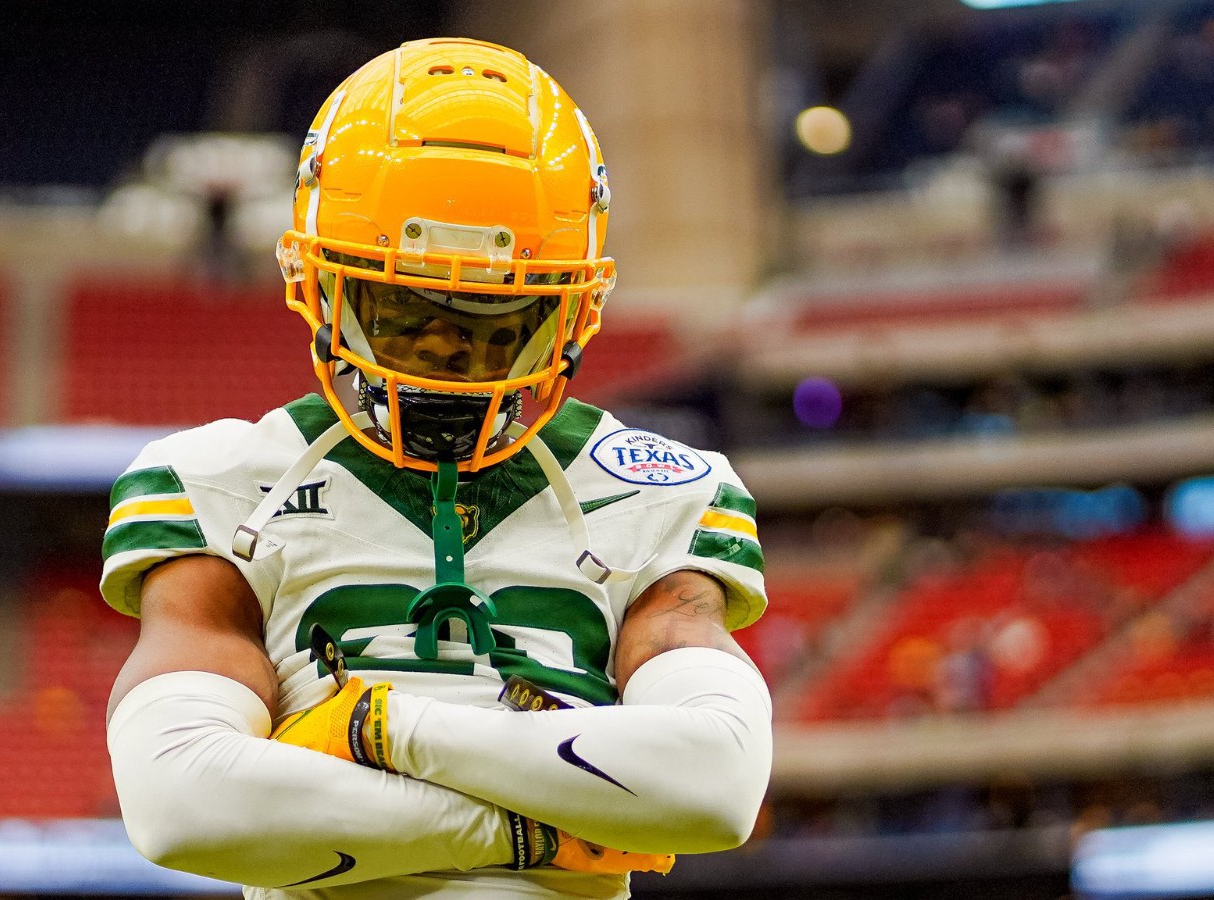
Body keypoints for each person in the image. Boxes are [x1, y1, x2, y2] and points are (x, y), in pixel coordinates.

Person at [102, 37, 773, 899]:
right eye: (400, 309)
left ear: (571, 311)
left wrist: (380, 729)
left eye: (496, 317)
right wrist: (534, 832)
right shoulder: (220, 478)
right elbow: (181, 804)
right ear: (319, 284)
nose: (445, 351)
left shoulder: (652, 487)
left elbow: (714, 788)